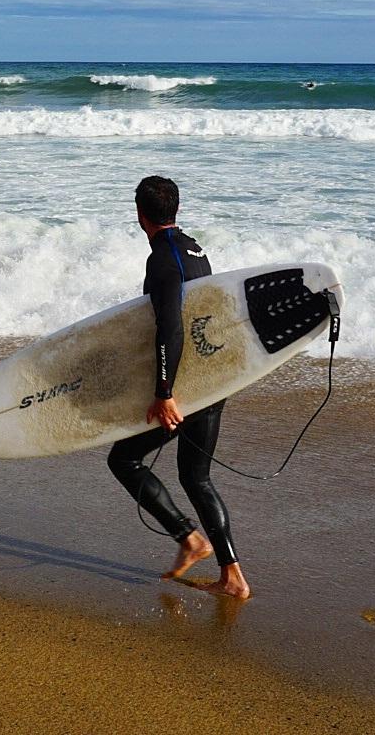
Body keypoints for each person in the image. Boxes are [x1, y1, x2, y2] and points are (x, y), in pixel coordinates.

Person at [106, 175, 251, 600]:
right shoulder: (194, 248)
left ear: (139, 215)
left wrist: (164, 391)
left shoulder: (163, 259)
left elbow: (170, 327)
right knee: (196, 478)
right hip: (211, 381)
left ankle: (190, 540)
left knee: (125, 459)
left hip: (184, 389)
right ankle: (233, 577)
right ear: (176, 210)